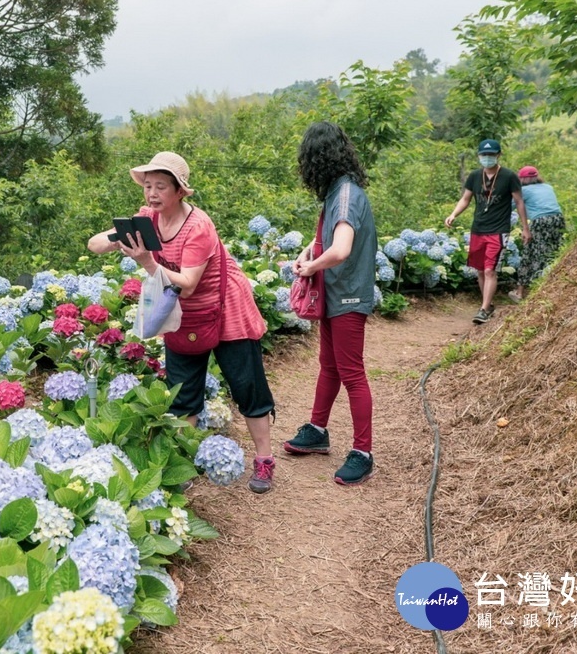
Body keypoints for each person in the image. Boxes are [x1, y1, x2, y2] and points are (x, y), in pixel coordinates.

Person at [87, 151, 279, 494]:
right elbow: (95, 243)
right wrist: (119, 239)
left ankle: (264, 460)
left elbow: (187, 282)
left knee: (246, 386)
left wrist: (145, 260)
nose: (152, 193)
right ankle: (182, 467)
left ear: (180, 191)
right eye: (148, 186)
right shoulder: (148, 217)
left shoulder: (199, 226)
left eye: (161, 186)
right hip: (183, 313)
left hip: (226, 308)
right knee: (184, 394)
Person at [283, 122, 379, 486]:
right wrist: (307, 251)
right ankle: (318, 430)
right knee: (329, 366)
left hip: (348, 295)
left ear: (314, 159)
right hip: (337, 293)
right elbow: (327, 236)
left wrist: (311, 266)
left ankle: (363, 453)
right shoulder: (341, 191)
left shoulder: (345, 194)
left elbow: (341, 249)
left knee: (351, 373)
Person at [444, 139, 531, 324]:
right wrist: (453, 214)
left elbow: (519, 202)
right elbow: (466, 199)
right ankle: (488, 305)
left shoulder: (509, 176)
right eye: (484, 155)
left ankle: (483, 309)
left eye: (491, 155)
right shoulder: (475, 176)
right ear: (479, 156)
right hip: (478, 229)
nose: (487, 158)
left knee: (491, 269)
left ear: (498, 155)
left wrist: (525, 228)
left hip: (498, 230)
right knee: (481, 270)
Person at [512, 165, 564, 300]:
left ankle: (522, 292)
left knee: (531, 253)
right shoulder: (548, 187)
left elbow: (511, 205)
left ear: (522, 179)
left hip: (541, 221)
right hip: (558, 219)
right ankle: (551, 287)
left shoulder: (524, 191)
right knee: (554, 253)